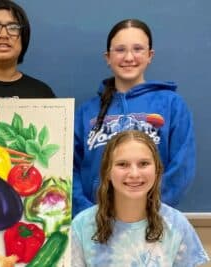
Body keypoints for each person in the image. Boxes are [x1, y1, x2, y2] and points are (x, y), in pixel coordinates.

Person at [73, 18, 195, 217]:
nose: (129, 57)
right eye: (120, 50)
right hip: (94, 224)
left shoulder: (172, 105)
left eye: (138, 49)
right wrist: (87, 214)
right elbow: (71, 168)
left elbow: (181, 168)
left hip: (153, 222)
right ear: (108, 57)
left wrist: (145, 211)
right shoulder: (85, 112)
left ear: (150, 55)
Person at [71, 130, 209, 266]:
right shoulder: (81, 227)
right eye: (122, 164)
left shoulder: (177, 225)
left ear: (157, 170)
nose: (134, 173)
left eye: (143, 164)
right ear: (107, 172)